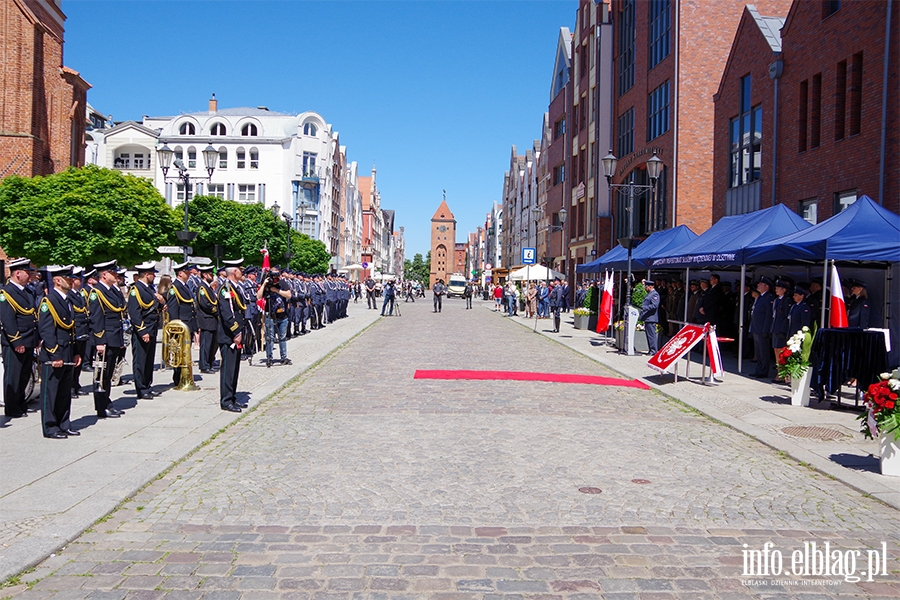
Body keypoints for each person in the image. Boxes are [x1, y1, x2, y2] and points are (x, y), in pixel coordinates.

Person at [37, 265, 81, 438]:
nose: (71, 281)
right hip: (54, 354)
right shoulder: (49, 301)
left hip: (68, 351)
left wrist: (76, 352)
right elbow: (47, 331)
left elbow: (72, 329)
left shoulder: (67, 300)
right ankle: (51, 427)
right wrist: (55, 354)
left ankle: (64, 423)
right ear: (57, 280)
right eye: (67, 278)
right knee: (52, 392)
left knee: (64, 392)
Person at [1, 258, 38, 419]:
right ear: (17, 273)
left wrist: (36, 338)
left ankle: (21, 402)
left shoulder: (28, 291)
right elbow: (8, 319)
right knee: (13, 376)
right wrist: (16, 341)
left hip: (29, 339)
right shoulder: (6, 293)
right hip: (15, 341)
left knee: (25, 374)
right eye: (27, 272)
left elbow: (33, 316)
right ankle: (12, 406)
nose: (30, 275)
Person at [89, 260, 126, 419]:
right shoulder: (97, 293)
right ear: (104, 275)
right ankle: (101, 407)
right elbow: (96, 319)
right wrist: (100, 341)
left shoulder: (114, 290)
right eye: (113, 272)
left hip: (115, 336)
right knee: (101, 375)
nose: (116, 275)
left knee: (109, 373)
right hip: (105, 339)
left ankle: (107, 401)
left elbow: (120, 308)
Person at [127, 261, 162, 399]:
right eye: (152, 274)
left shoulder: (149, 288)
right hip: (143, 329)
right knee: (140, 361)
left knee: (149, 360)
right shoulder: (135, 290)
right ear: (146, 274)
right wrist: (142, 331)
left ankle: (147, 385)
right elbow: (135, 313)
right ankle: (141, 389)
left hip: (152, 328)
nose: (154, 276)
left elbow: (152, 307)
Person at [217, 260, 249, 412]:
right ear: (234, 272)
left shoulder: (236, 288)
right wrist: (236, 332)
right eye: (240, 269)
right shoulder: (226, 288)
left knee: (234, 369)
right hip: (229, 335)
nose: (242, 272)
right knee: (228, 369)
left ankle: (232, 397)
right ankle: (226, 400)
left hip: (236, 334)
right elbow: (227, 313)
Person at [166, 262, 198, 386]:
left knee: (186, 353)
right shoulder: (175, 288)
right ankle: (178, 378)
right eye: (186, 272)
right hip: (181, 327)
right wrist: (176, 328)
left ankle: (185, 377)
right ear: (180, 273)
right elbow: (173, 310)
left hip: (188, 324)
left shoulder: (184, 286)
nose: (189, 274)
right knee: (179, 353)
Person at [258, 268, 292, 367]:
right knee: (270, 338)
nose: (275, 278)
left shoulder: (282, 283)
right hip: (270, 315)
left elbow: (289, 295)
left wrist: (276, 290)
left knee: (282, 337)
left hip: (282, 315)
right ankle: (269, 357)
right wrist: (264, 284)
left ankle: (284, 357)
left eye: (277, 276)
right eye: (274, 276)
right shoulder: (267, 283)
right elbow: (259, 296)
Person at [69, 267, 90, 396]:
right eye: (78, 279)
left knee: (79, 360)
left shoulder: (78, 293)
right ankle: (70, 386)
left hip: (82, 331)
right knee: (73, 361)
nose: (81, 281)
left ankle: (76, 383)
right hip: (75, 331)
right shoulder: (69, 295)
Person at [749, 276, 775, 379]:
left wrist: (766, 330)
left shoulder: (769, 298)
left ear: (766, 286)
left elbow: (768, 316)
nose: (758, 285)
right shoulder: (760, 297)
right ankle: (758, 369)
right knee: (758, 352)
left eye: (760, 284)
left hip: (762, 329)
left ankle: (763, 371)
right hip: (756, 328)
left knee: (763, 351)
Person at [196, 266, 219, 373]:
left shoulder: (208, 288)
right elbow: (205, 304)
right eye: (210, 274)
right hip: (206, 319)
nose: (213, 276)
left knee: (212, 344)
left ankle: (209, 363)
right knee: (206, 344)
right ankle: (204, 365)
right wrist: (217, 311)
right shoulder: (202, 288)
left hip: (212, 320)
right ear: (205, 275)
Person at [771, 279, 793, 383]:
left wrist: (783, 330)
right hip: (775, 328)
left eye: (778, 288)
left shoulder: (787, 301)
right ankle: (779, 371)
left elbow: (786, 317)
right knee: (776, 350)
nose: (776, 289)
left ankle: (783, 374)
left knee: (781, 351)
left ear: (784, 289)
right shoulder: (777, 300)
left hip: (781, 329)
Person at [639, 279, 660, 355]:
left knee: (651, 335)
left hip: (651, 318)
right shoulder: (649, 294)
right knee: (649, 335)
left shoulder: (655, 294)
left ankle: (653, 351)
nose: (645, 288)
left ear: (650, 287)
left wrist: (644, 308)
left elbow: (654, 305)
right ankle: (651, 350)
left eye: (646, 287)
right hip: (647, 318)